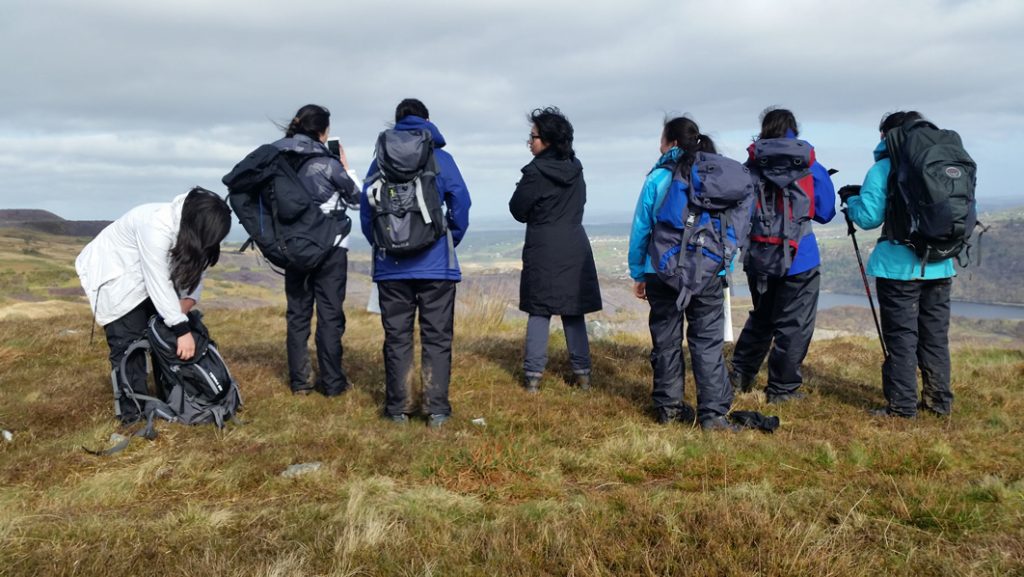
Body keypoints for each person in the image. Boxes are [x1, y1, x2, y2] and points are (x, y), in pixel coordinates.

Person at [76, 187, 232, 424]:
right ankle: (133, 417)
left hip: (150, 280)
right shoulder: (155, 225)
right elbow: (156, 279)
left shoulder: (194, 230)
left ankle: (174, 403)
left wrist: (186, 304)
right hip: (116, 278)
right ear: (199, 224)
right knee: (129, 345)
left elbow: (198, 268)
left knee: (164, 342)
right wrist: (181, 328)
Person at [360, 98, 471, 427]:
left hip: (391, 267)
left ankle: (398, 410)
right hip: (437, 264)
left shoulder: (379, 161)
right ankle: (436, 410)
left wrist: (385, 244)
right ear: (426, 121)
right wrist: (449, 238)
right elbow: (461, 203)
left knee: (397, 337)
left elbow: (367, 211)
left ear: (397, 122)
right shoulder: (442, 158)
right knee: (437, 337)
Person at [842, 111, 954, 418]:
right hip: (941, 263)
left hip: (898, 268)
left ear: (888, 136)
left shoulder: (883, 168)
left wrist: (851, 202)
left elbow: (867, 218)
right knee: (934, 336)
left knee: (902, 337)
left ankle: (902, 407)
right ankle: (939, 403)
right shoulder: (944, 165)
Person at [627, 116, 737, 430]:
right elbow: (731, 226)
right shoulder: (717, 176)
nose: (659, 146)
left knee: (666, 341)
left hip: (662, 272)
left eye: (661, 140)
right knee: (707, 343)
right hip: (707, 273)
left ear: (672, 143)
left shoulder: (658, 179)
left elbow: (641, 229)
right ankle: (713, 415)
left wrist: (639, 272)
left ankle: (669, 409)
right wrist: (724, 266)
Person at [729, 108, 837, 404]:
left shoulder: (750, 166)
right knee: (794, 325)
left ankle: (740, 373)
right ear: (794, 130)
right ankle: (783, 390)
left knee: (762, 316)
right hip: (800, 258)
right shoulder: (810, 165)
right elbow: (826, 212)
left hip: (759, 257)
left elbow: (738, 212)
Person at [510, 107, 602, 393]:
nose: (530, 141)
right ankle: (582, 374)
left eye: (534, 136)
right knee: (573, 310)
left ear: (547, 140)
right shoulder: (576, 169)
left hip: (544, 247)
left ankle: (534, 377)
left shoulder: (535, 172)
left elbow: (517, 209)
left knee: (539, 310)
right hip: (575, 245)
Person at [272, 104, 360, 396]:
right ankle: (332, 383)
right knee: (330, 315)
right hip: (331, 250)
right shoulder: (328, 164)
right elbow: (358, 201)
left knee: (297, 314)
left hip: (294, 247)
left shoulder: (280, 160)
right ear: (323, 132)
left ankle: (300, 382)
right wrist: (346, 168)